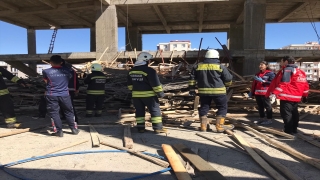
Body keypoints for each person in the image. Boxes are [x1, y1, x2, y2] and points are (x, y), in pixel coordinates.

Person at [189, 49, 234, 132]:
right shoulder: (220, 66)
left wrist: (191, 89)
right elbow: (228, 79)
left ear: (206, 56)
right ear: (217, 57)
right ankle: (219, 127)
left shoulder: (198, 66)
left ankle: (203, 127)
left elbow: (192, 79)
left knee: (204, 107)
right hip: (219, 92)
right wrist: (227, 86)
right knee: (222, 107)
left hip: (203, 92)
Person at [266, 56, 309, 134]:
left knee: (286, 114)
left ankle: (288, 131)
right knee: (294, 113)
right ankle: (294, 129)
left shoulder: (287, 70)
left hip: (287, 96)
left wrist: (274, 93)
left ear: (286, 61)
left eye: (281, 61)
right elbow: (305, 85)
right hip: (296, 97)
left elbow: (284, 83)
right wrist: (305, 95)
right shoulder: (301, 72)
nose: (281, 63)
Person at [127, 52, 167, 133]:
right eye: (149, 60)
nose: (149, 62)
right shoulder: (150, 71)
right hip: (149, 96)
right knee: (155, 110)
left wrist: (135, 91)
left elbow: (129, 85)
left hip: (136, 96)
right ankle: (158, 128)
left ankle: (140, 128)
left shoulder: (131, 71)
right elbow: (155, 83)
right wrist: (160, 93)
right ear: (145, 60)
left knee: (139, 111)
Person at [43, 55, 79, 137]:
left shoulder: (46, 71)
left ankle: (59, 132)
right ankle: (74, 129)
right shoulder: (68, 71)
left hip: (51, 95)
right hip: (65, 94)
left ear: (50, 63)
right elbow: (69, 79)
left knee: (54, 113)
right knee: (69, 112)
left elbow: (46, 81)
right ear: (61, 62)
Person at [250, 61, 276, 125]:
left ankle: (269, 119)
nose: (260, 66)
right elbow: (254, 84)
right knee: (260, 106)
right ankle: (262, 118)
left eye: (262, 65)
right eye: (259, 65)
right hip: (258, 93)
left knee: (268, 106)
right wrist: (252, 92)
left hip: (265, 93)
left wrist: (264, 81)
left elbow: (273, 83)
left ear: (266, 66)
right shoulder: (257, 74)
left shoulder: (270, 74)